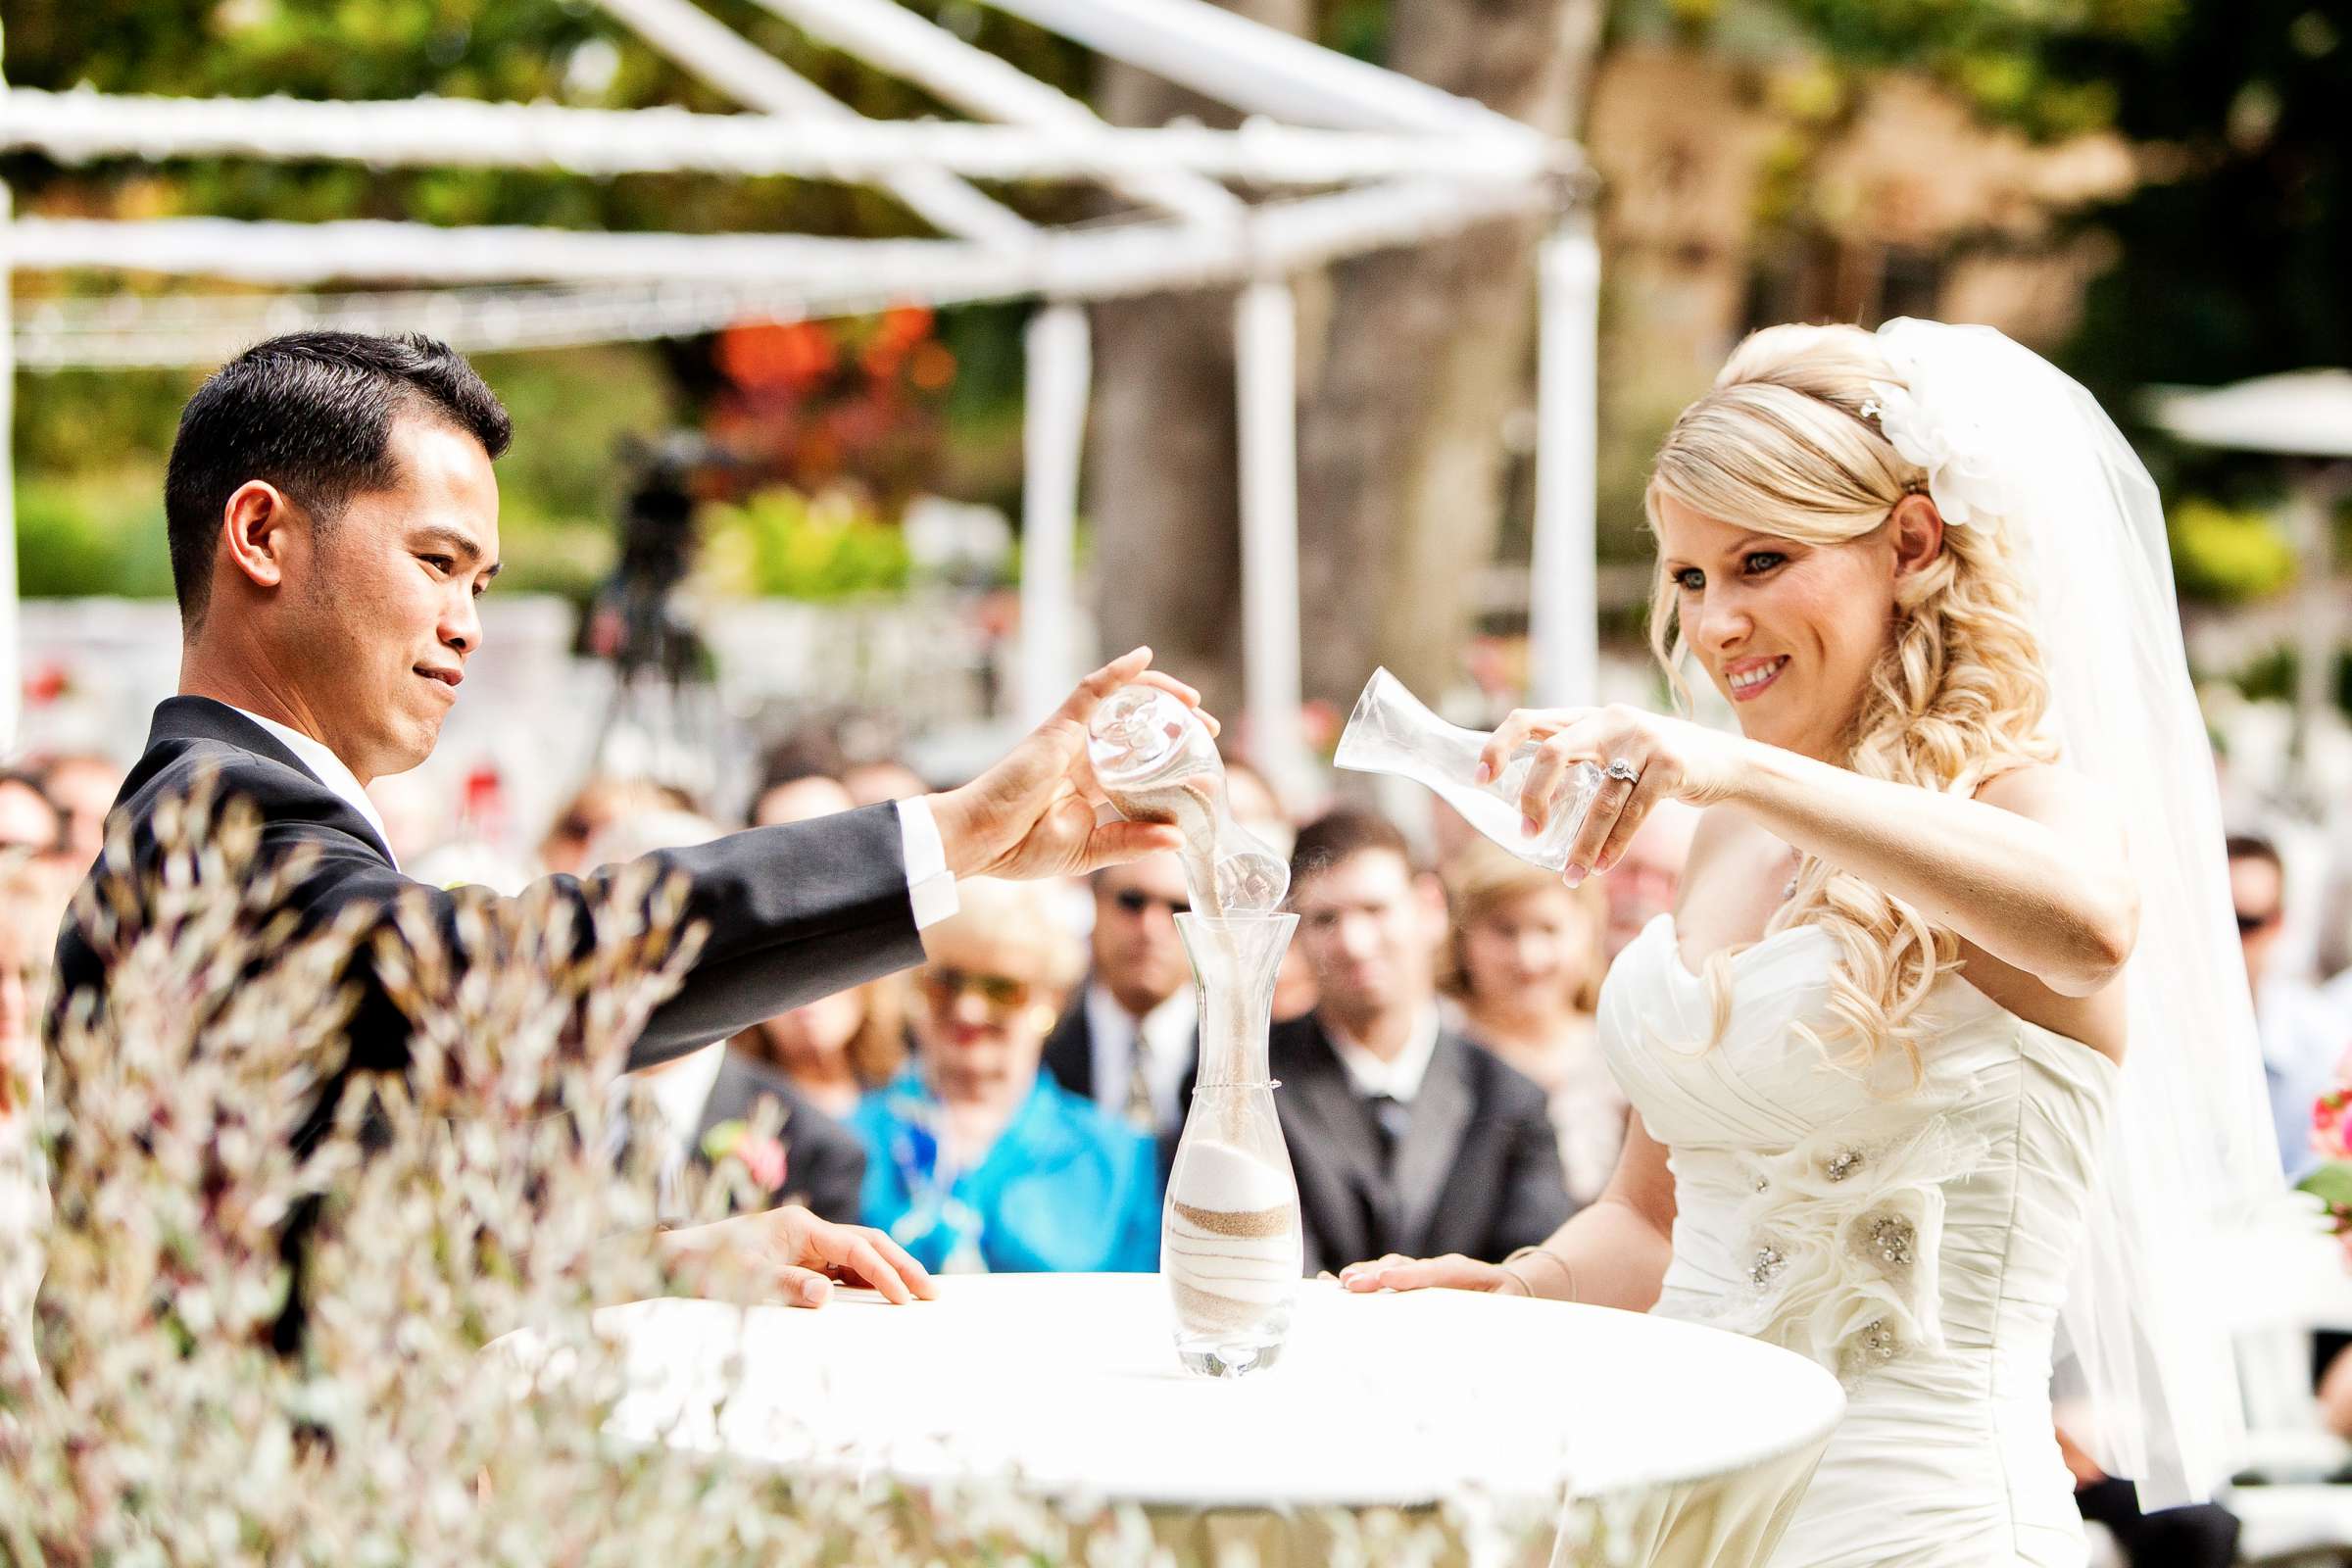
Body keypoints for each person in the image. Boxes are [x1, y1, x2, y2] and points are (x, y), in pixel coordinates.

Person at [1342, 320, 2277, 1561]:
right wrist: (1519, 1292)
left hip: (1922, 1523)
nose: (1717, 622)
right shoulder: (1725, 842)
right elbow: (1656, 1220)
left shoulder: (2022, 802)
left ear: (1910, 543)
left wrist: (1740, 770)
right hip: (1693, 1516)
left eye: (1760, 561)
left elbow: (2092, 928)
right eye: (1687, 578)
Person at [48, 330, 1205, 1320]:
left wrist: (658, 1261)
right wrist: (946, 838)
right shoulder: (222, 819)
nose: (466, 626)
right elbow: (526, 972)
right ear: (260, 536)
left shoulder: (219, 817)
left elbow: (310, 1261)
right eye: (436, 562)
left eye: (483, 584)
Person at [1275, 808, 1571, 1278]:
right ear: (1294, 933)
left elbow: (1531, 1277)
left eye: (1375, 910)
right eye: (1325, 919)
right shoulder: (1251, 1086)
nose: (1354, 942)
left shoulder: (1513, 1101)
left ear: (1429, 908)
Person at [851, 878, 1159, 1274]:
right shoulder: (849, 1142)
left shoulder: (1117, 1158)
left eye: (1001, 988)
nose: (969, 1010)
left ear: (1051, 998)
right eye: (946, 982)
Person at [1438, 840, 1625, 1207]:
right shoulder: (1433, 1038)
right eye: (1505, 931)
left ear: (1587, 933)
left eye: (1549, 930)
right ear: (1464, 937)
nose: (1528, 958)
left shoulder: (1617, 1053)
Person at [1042, 853, 1198, 1144]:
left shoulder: (1249, 1053)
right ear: (1094, 902)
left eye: (1179, 908)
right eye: (1132, 901)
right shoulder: (1039, 1039)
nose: (1151, 927)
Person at [2230, 832, 2349, 1181]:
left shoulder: (2324, 1044)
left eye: (2245, 922)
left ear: (2277, 923)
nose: (2226, 941)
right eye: (2215, 923)